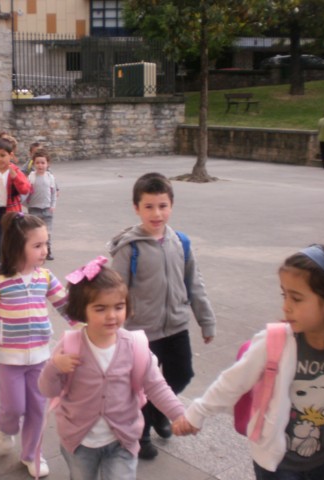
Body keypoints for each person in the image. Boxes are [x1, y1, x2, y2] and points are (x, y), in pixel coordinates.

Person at [173, 244, 324, 480]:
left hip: (322, 462)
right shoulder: (275, 341)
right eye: (284, 295)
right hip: (276, 464)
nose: (286, 306)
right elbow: (232, 382)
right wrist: (197, 412)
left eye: (296, 298)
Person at [38, 257, 187, 480]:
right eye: (100, 308)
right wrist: (54, 367)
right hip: (79, 442)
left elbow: (156, 386)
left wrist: (179, 414)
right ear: (82, 310)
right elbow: (47, 390)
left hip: (122, 440)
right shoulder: (70, 346)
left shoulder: (135, 346)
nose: (111, 315)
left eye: (119, 307)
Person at [107, 172, 216, 459]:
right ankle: (141, 434)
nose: (157, 213)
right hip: (142, 332)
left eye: (163, 206)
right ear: (136, 208)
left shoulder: (180, 242)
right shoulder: (129, 247)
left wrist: (206, 320)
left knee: (182, 374)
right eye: (149, 207)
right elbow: (115, 292)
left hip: (176, 325)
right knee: (144, 384)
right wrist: (112, 329)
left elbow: (194, 283)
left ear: (171, 205)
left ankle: (157, 412)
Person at [0, 212, 74, 478]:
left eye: (46, 244)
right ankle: (2, 423)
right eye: (38, 245)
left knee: (37, 409)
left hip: (41, 359)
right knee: (14, 408)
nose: (45, 250)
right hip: (9, 359)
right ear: (18, 246)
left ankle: (32, 454)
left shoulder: (45, 277)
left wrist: (88, 326)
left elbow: (66, 307)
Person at [24, 149, 58, 260]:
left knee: (47, 232)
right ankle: (34, 250)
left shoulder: (50, 177)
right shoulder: (31, 177)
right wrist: (26, 204)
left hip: (47, 209)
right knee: (34, 231)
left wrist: (53, 205)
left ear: (48, 164)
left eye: (43, 163)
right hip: (34, 209)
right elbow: (25, 192)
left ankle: (48, 250)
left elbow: (53, 193)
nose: (40, 165)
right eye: (37, 163)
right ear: (33, 164)